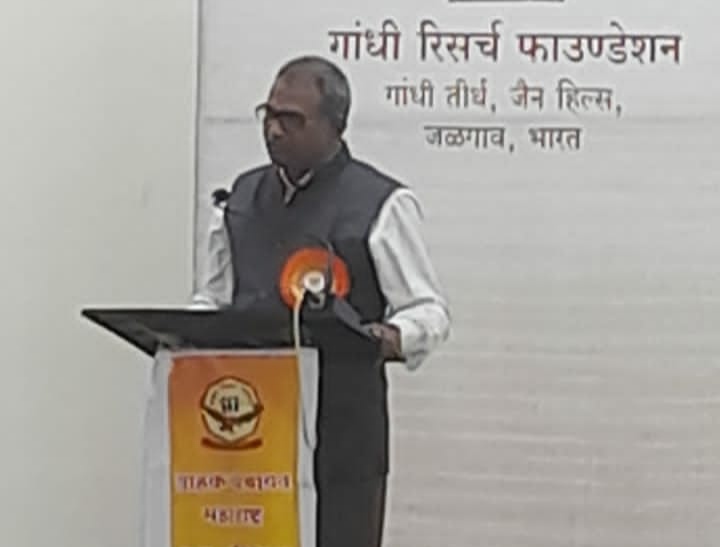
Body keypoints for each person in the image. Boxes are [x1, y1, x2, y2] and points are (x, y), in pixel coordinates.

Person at [192, 55, 451, 547]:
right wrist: (185, 333)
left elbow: (429, 309)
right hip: (246, 427)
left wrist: (392, 337)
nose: (273, 130)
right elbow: (215, 297)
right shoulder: (239, 199)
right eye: (268, 115)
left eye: (291, 120)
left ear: (335, 126)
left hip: (343, 433)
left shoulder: (380, 203)